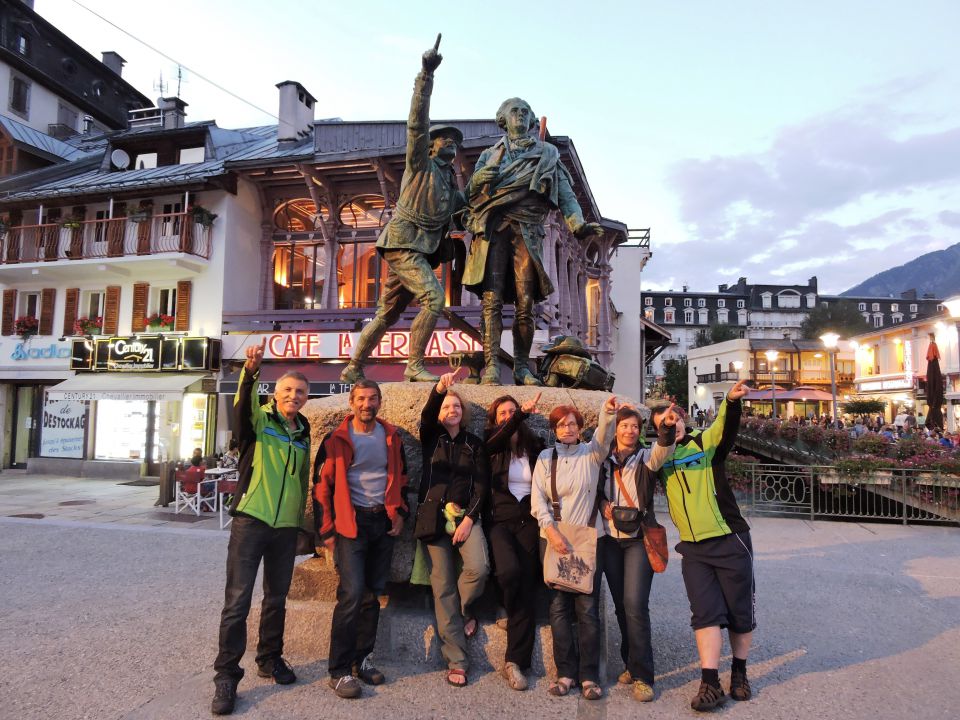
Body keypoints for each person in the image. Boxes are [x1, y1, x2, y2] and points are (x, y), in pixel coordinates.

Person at [340, 42, 465, 384]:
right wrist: (426, 75)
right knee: (434, 298)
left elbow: (465, 211)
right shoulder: (420, 163)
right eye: (445, 140)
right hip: (403, 242)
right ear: (431, 145)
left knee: (386, 314)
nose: (451, 144)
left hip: (417, 250)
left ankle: (353, 365)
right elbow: (417, 122)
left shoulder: (450, 186)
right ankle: (414, 365)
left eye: (455, 142)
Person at [462, 96, 602, 385]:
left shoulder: (547, 154)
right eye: (515, 111)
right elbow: (469, 197)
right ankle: (490, 367)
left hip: (528, 230)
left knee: (526, 302)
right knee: (492, 301)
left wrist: (578, 224)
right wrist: (477, 182)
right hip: (494, 230)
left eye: (526, 112)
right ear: (503, 119)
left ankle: (522, 367)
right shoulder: (490, 155)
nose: (521, 116)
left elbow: (566, 194)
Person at [211, 339, 311, 716]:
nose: (294, 396)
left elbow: (301, 481)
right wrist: (250, 373)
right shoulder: (260, 419)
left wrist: (302, 525)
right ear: (276, 393)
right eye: (288, 390)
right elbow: (242, 408)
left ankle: (270, 658)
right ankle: (226, 675)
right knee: (237, 602)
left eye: (300, 392)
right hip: (251, 520)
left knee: (276, 599)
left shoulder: (303, 431)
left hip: (285, 527)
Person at [658, 379, 754, 712]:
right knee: (705, 615)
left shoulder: (704, 444)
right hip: (693, 549)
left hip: (729, 538)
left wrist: (730, 400)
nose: (674, 424)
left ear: (685, 419)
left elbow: (722, 427)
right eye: (665, 422)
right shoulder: (661, 458)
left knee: (740, 613)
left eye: (676, 418)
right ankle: (710, 682)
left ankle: (739, 672)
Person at [315, 379, 408, 698]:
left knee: (372, 595)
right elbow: (321, 487)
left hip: (381, 523)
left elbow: (402, 478)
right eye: (361, 399)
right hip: (349, 524)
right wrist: (326, 530)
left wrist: (399, 514)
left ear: (380, 402)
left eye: (372, 398)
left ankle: (362, 660)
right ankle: (338, 670)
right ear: (351, 403)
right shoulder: (336, 438)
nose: (367, 404)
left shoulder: (392, 436)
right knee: (352, 594)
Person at [530, 395, 618, 700]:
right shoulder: (545, 457)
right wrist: (550, 530)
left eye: (572, 423)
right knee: (557, 608)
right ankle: (565, 672)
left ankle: (589, 676)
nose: (567, 428)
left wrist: (607, 414)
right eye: (561, 424)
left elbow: (604, 437)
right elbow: (537, 498)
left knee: (588, 610)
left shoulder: (592, 454)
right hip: (554, 537)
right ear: (554, 429)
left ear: (580, 427)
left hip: (588, 538)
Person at [597, 404, 678, 703]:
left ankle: (644, 675)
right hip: (609, 539)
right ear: (616, 429)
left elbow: (663, 450)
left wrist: (666, 428)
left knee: (635, 603)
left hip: (638, 539)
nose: (630, 431)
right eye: (625, 425)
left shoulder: (646, 458)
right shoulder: (603, 460)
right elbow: (591, 488)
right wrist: (601, 503)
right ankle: (631, 663)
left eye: (634, 426)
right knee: (620, 605)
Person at [418, 369, 490, 687]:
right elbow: (427, 413)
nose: (451, 410)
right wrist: (439, 389)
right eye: (447, 407)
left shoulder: (474, 444)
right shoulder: (431, 438)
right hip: (433, 519)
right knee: (442, 586)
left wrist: (470, 519)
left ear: (464, 412)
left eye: (456, 406)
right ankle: (457, 660)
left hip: (465, 516)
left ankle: (462, 611)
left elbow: (482, 486)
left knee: (479, 567)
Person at [484, 391, 546, 690]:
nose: (509, 417)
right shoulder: (492, 446)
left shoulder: (534, 447)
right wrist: (520, 413)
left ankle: (515, 661)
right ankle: (503, 603)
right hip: (500, 520)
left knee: (527, 584)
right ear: (495, 420)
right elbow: (496, 439)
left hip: (529, 520)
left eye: (513, 412)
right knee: (508, 572)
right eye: (503, 414)